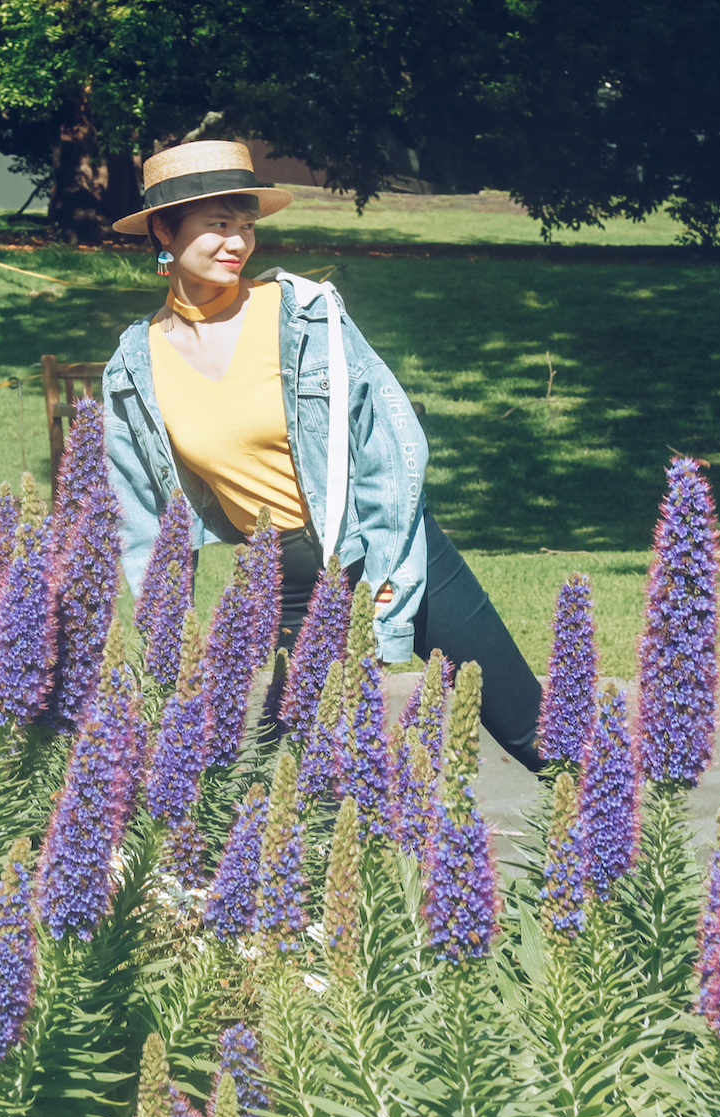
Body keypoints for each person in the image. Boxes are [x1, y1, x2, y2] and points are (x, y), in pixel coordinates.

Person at [99, 140, 545, 770]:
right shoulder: (133, 368)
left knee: (535, 731)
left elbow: (390, 441)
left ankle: (630, 854)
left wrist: (391, 572)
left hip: (386, 545)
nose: (237, 243)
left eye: (246, 227)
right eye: (218, 226)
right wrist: (168, 641)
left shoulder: (306, 313)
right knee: (285, 777)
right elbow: (142, 519)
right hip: (284, 578)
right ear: (164, 234)